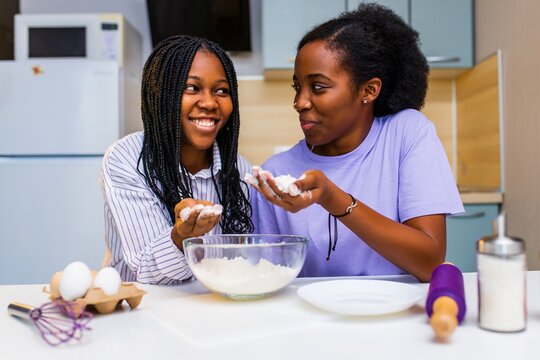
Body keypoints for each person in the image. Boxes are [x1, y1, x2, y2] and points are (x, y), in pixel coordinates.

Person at [249, 3, 464, 282]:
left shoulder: (406, 133)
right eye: (297, 87)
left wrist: (332, 197)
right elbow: (267, 279)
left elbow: (430, 261)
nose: (299, 102)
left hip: (395, 316)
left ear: (369, 90)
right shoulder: (276, 173)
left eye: (318, 87)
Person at [100, 35, 253, 284]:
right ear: (162, 95)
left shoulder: (238, 168)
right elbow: (146, 273)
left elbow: (240, 261)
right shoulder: (128, 159)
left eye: (221, 91)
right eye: (191, 88)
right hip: (137, 310)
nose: (209, 102)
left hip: (209, 308)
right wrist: (181, 237)